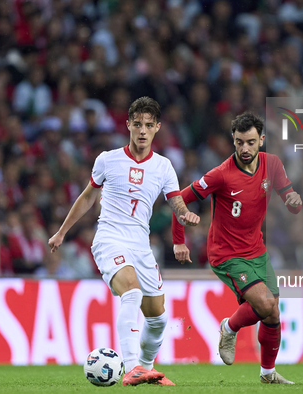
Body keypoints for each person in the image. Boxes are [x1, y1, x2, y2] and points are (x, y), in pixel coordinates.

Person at [48, 97, 200, 386]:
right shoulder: (107, 159)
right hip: (109, 238)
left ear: (157, 128)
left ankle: (146, 368)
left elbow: (176, 203)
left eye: (148, 126)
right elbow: (88, 196)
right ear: (128, 124)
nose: (142, 131)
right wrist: (62, 231)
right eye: (137, 124)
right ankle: (131, 367)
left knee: (158, 318)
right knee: (131, 292)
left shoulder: (164, 166)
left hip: (140, 246)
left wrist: (185, 215)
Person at [171, 112, 302, 384]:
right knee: (266, 303)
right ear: (233, 140)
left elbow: (292, 202)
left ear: (262, 140)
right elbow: (179, 199)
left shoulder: (273, 164)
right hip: (226, 254)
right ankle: (228, 327)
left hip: (257, 250)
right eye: (240, 142)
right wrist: (179, 240)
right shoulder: (221, 175)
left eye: (251, 142)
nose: (245, 149)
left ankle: (267, 374)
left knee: (272, 312)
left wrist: (292, 199)